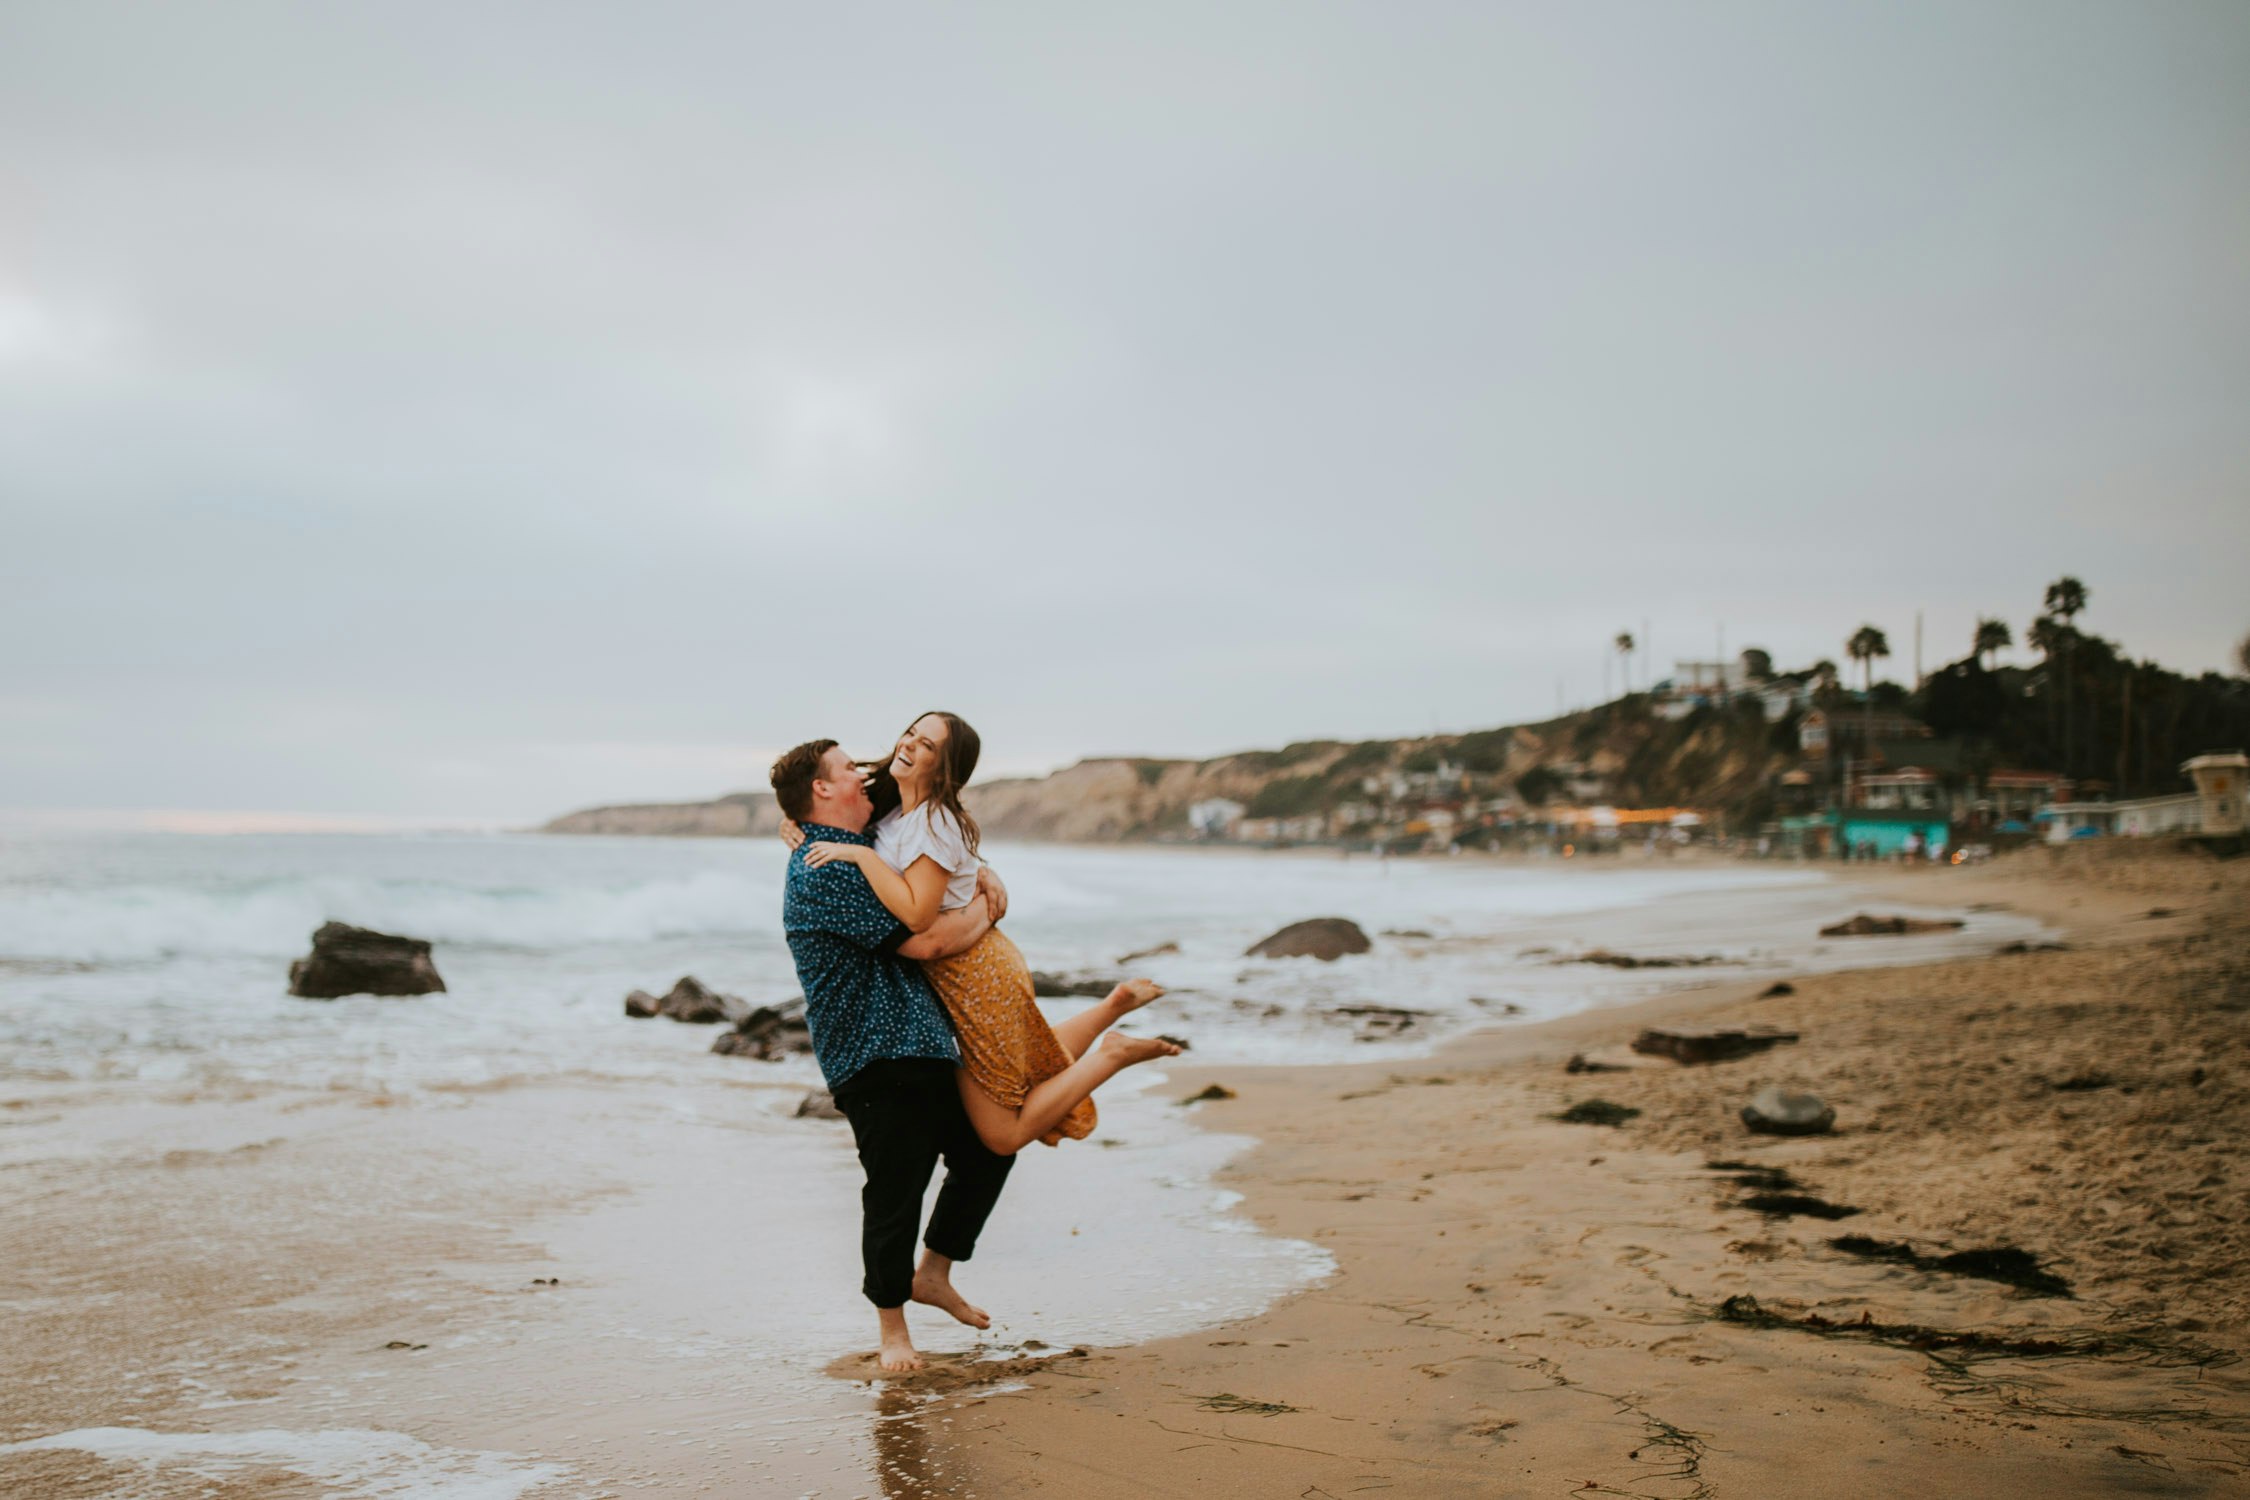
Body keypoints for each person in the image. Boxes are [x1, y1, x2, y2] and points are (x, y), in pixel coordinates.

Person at [791, 711, 1179, 1155]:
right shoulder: (895, 808)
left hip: (972, 974)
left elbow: (921, 922)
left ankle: (1113, 1054)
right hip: (970, 966)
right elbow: (837, 822)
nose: (910, 744)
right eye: (912, 733)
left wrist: (863, 860)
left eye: (928, 745)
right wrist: (797, 826)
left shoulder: (931, 822)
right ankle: (1112, 1009)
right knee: (1025, 1061)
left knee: (1002, 1136)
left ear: (944, 769)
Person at [770, 737, 1014, 1374]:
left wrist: (979, 869)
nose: (863, 772)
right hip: (872, 1051)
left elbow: (915, 800)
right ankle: (892, 1331)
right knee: (894, 1192)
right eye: (847, 768)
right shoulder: (828, 868)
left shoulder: (858, 837)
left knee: (990, 1150)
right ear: (823, 789)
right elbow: (925, 944)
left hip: (924, 1040)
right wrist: (988, 907)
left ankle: (932, 1273)